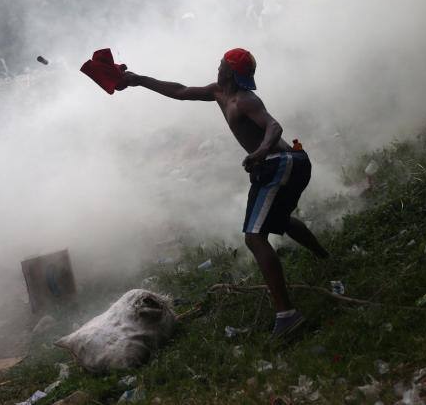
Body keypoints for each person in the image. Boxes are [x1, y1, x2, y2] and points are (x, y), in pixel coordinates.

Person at [118, 48, 329, 339]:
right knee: (279, 220)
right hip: (279, 164)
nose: (217, 68)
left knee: (254, 237)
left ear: (230, 71)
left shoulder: (245, 100)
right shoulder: (218, 93)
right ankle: (325, 258)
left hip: (282, 161)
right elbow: (180, 91)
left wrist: (260, 151)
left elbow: (274, 126)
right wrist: (138, 80)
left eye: (220, 65)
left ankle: (287, 316)